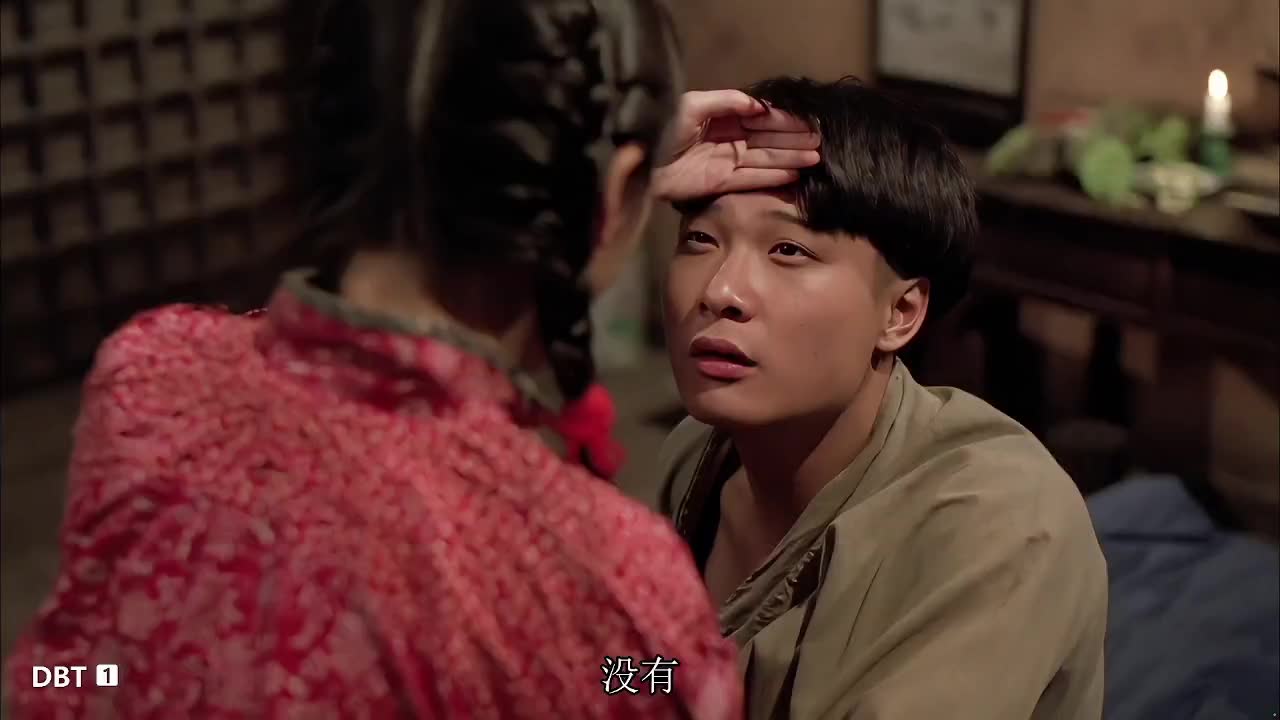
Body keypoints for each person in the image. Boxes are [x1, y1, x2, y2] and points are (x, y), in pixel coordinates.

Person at [4, 1, 821, 717]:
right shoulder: (604, 593)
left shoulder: (147, 377)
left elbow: (77, 672)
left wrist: (602, 174)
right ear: (616, 195)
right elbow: (646, 678)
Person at [652, 76, 1108, 719]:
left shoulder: (1001, 519)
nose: (721, 290)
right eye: (700, 240)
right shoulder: (693, 457)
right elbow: (632, 678)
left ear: (900, 313)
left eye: (788, 249)